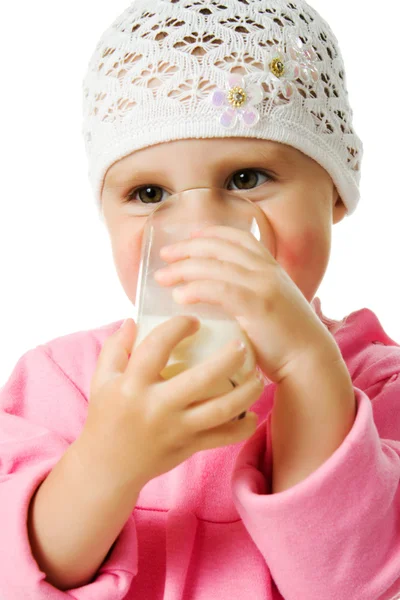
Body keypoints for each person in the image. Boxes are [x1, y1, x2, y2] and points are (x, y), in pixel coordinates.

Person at [1, 0, 400, 598]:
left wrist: (307, 369)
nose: (199, 226)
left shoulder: (379, 386)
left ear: (336, 191)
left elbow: (356, 583)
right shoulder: (66, 382)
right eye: (149, 191)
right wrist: (108, 462)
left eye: (246, 178)